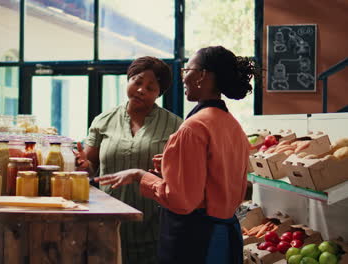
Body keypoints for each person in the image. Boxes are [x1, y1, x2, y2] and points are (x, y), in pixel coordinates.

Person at [95, 46, 258, 264]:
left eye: (187, 70)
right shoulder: (232, 125)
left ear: (201, 76)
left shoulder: (193, 127)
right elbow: (215, 180)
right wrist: (171, 167)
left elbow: (181, 200)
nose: (183, 78)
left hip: (195, 240)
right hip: (225, 237)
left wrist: (140, 176)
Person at [75, 56, 183, 264]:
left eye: (151, 87)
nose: (141, 90)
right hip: (106, 222)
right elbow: (90, 168)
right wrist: (82, 164)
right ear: (128, 80)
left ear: (159, 93)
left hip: (153, 226)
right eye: (137, 81)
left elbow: (180, 177)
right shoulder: (103, 120)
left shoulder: (175, 126)